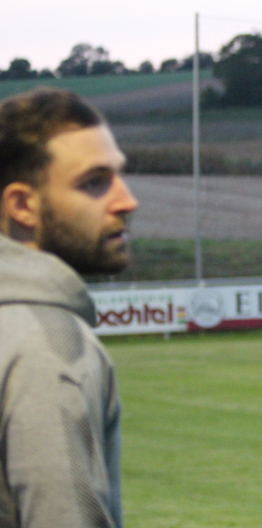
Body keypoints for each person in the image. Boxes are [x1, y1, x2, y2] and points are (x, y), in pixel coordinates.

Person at [0, 87, 138, 528]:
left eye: (119, 175)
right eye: (95, 182)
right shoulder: (48, 345)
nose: (127, 200)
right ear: (23, 205)